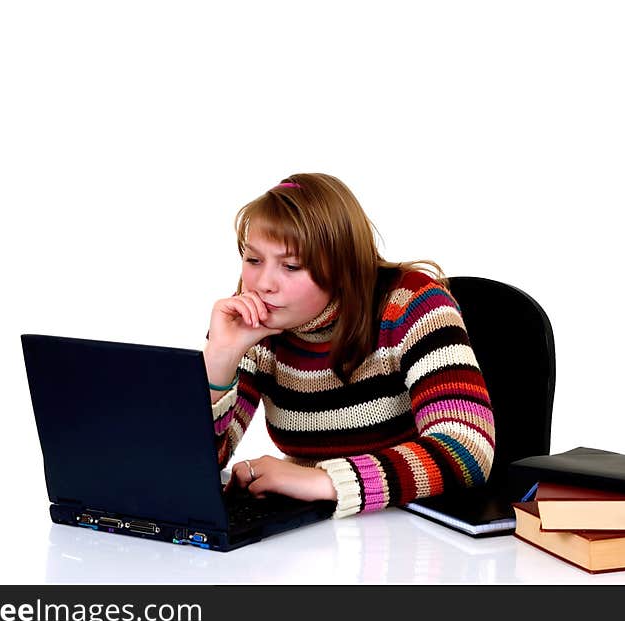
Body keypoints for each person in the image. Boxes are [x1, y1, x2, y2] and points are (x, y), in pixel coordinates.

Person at [203, 173, 494, 518]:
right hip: (313, 528)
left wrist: (322, 481)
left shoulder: (411, 304)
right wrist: (220, 356)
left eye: (292, 265)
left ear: (343, 268)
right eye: (253, 260)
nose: (264, 283)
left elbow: (467, 449)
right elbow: (189, 466)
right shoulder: (253, 319)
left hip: (410, 525)